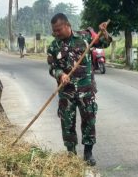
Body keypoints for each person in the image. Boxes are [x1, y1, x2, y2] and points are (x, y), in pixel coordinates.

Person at [47, 13, 112, 166]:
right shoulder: (53, 46)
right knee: (67, 124)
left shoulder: (85, 37)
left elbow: (104, 43)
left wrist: (104, 32)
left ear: (67, 26)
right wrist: (60, 74)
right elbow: (52, 68)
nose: (56, 33)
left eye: (58, 30)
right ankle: (71, 154)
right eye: (54, 31)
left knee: (89, 121)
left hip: (86, 90)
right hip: (66, 92)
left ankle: (88, 153)